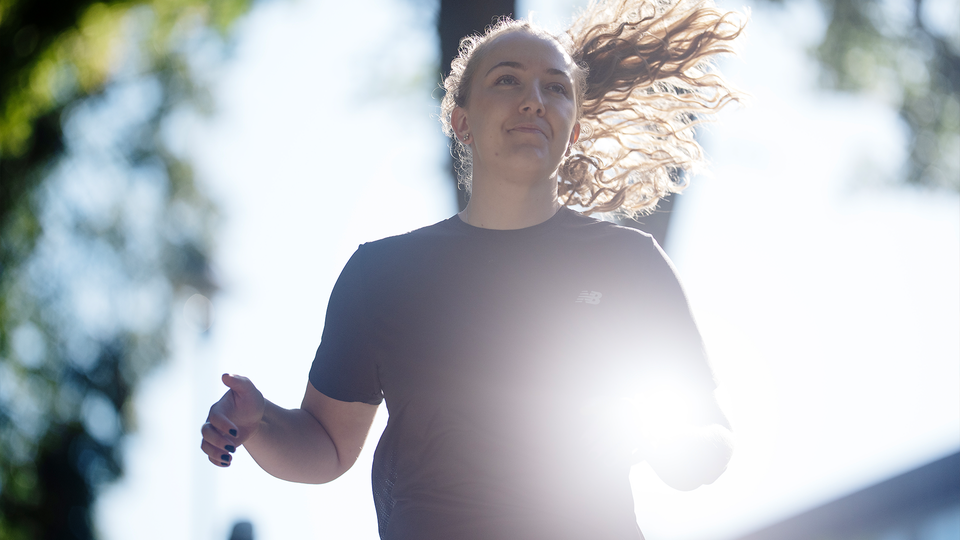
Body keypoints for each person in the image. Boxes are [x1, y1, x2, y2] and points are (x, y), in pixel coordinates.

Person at [200, 1, 746, 538]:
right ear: (461, 121)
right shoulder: (382, 274)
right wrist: (259, 420)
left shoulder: (630, 263)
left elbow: (708, 434)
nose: (534, 101)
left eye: (556, 88)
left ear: (572, 130)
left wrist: (666, 440)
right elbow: (327, 446)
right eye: (508, 81)